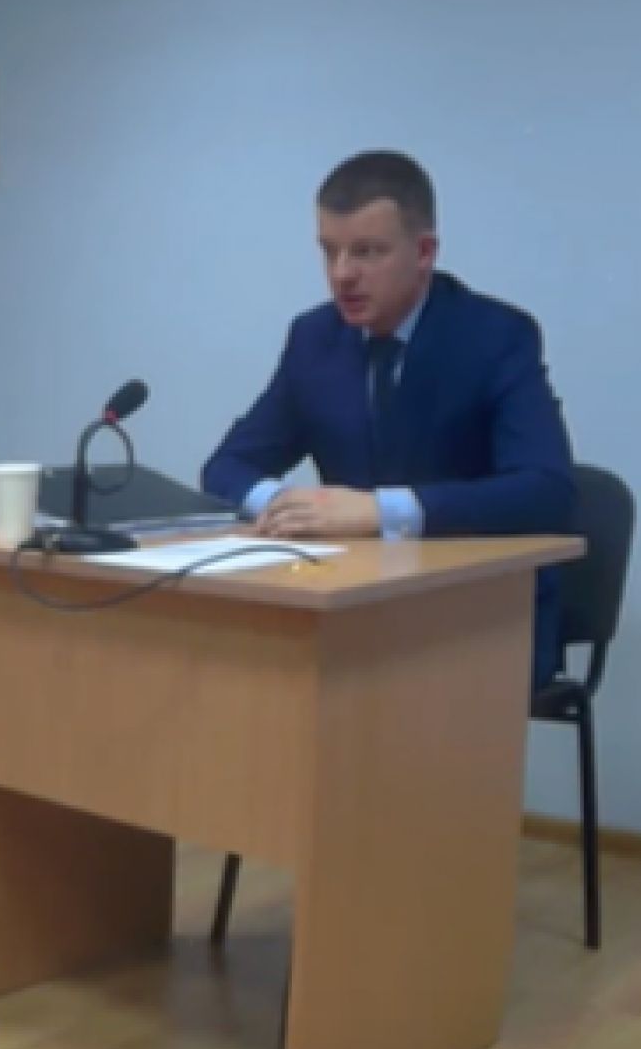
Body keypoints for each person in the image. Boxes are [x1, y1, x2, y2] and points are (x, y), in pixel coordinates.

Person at [201, 149, 576, 690]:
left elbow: (547, 491)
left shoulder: (495, 337)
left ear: (423, 253)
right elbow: (226, 467)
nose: (342, 275)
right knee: (240, 664)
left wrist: (381, 512)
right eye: (329, 251)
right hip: (350, 603)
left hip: (479, 616)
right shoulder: (315, 339)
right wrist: (284, 506)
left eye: (367, 252)